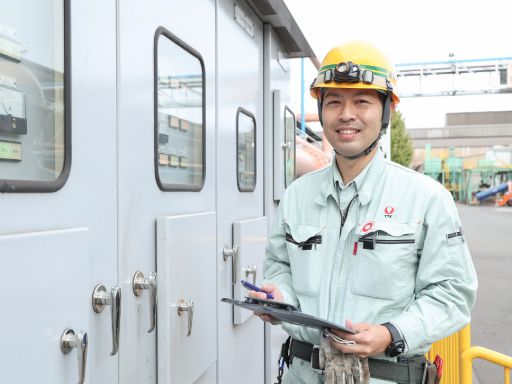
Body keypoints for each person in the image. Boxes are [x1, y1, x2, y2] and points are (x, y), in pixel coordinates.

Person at [250, 41, 478, 383]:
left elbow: (453, 293)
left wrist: (392, 333)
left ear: (386, 111)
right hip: (301, 373)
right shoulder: (297, 195)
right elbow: (279, 266)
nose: (346, 114)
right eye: (334, 102)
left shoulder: (426, 198)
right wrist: (279, 297)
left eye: (362, 102)